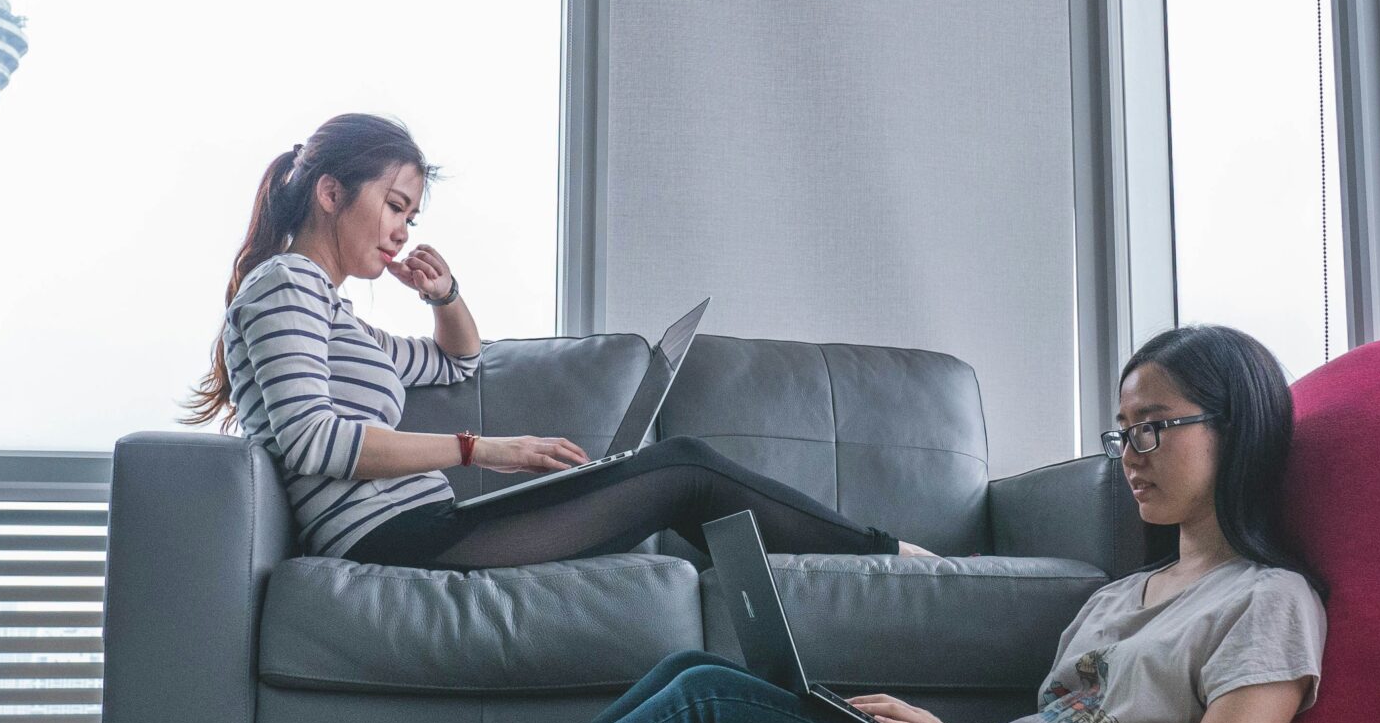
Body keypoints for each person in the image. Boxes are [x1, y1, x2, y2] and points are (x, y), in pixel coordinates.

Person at [229, 322, 1329, 723]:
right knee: (695, 679)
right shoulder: (1124, 591)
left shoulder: (1268, 603)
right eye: (1121, 430)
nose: (1131, 451)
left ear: (1237, 428)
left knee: (710, 704)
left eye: (1158, 425)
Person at [185, 112, 928, 569]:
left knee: (683, 478)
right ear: (330, 192)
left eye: (411, 216)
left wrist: (445, 296)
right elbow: (314, 441)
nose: (402, 230)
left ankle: (851, 576)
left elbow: (458, 359)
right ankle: (888, 559)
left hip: (419, 527)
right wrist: (484, 449)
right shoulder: (284, 284)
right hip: (399, 537)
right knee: (685, 472)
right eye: (394, 205)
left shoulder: (336, 314)